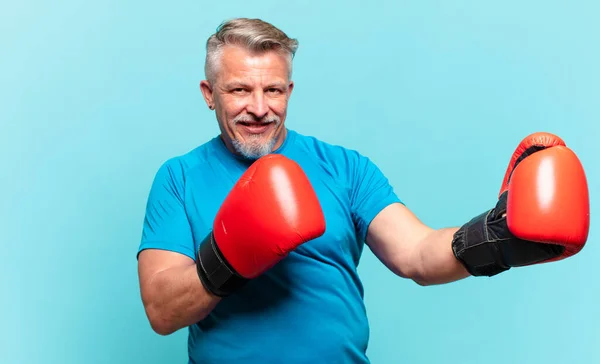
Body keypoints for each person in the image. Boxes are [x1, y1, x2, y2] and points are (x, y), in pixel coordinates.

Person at [136, 18, 590, 364]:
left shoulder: (345, 168)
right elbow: (161, 311)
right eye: (239, 90)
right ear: (208, 93)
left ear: (290, 90)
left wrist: (495, 239)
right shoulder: (178, 178)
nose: (259, 108)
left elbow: (416, 253)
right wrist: (231, 254)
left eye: (272, 89)